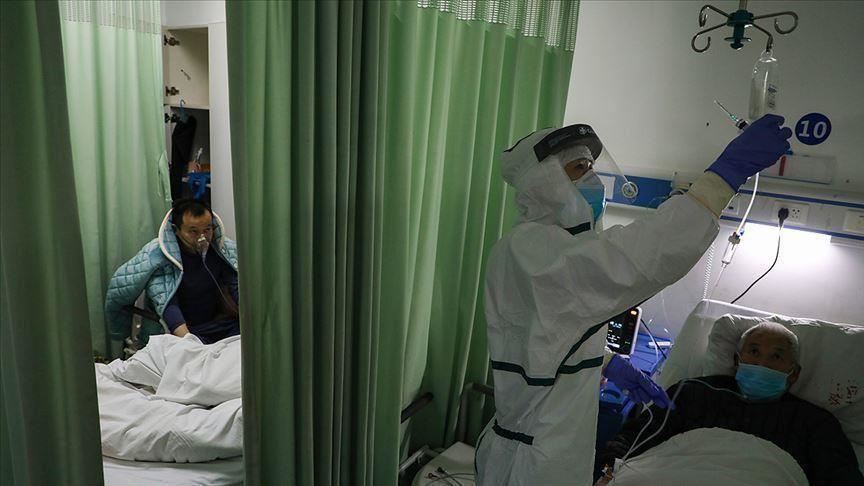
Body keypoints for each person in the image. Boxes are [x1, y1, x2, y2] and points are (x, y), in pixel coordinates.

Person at [475, 115, 793, 486]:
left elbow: (546, 337)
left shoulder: (549, 249)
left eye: (592, 167)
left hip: (547, 448)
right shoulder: (533, 252)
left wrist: (607, 363)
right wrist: (723, 177)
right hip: (530, 465)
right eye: (580, 169)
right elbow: (639, 258)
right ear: (545, 184)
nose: (594, 180)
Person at [596, 322, 863, 486]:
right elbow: (639, 434)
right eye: (754, 352)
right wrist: (608, 471)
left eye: (776, 357)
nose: (762, 363)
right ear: (737, 360)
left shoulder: (814, 422)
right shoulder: (693, 392)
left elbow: (841, 475)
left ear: (794, 373)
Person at [106, 199, 240, 345]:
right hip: (179, 331)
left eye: (207, 229)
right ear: (176, 230)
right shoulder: (160, 256)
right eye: (193, 231)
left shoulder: (220, 249)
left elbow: (235, 284)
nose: (202, 237)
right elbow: (168, 304)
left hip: (217, 324)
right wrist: (190, 342)